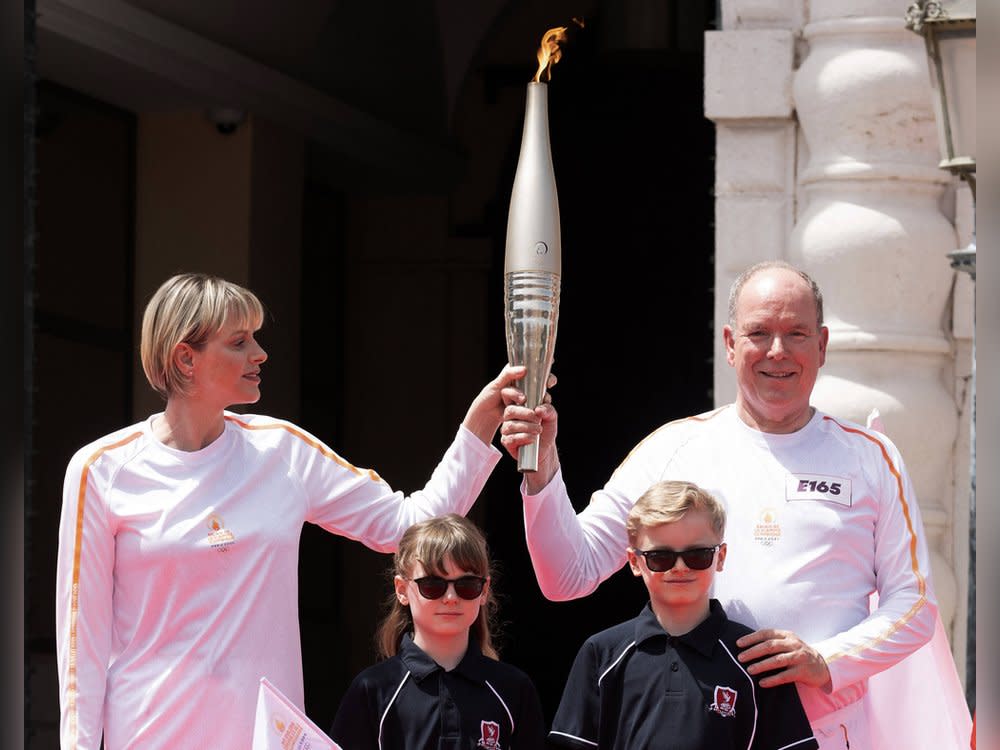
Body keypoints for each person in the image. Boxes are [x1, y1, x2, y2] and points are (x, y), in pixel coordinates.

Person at [55, 272, 521, 750]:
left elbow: (407, 527)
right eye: (239, 342)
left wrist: (479, 425)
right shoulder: (101, 469)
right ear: (185, 358)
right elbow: (81, 644)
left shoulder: (283, 451)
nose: (260, 354)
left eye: (255, 338)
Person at [500, 261, 938, 750]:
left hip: (827, 730)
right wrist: (542, 471)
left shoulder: (870, 458)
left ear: (822, 344)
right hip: (698, 730)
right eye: (759, 332)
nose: (778, 351)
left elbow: (915, 604)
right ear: (730, 343)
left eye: (796, 333)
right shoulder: (673, 448)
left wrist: (825, 659)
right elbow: (567, 574)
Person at [549, 480, 817, 750]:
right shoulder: (603, 653)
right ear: (634, 562)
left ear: (720, 556)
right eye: (660, 557)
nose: (679, 567)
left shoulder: (755, 658)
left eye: (697, 555)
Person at [329, 513, 547, 749]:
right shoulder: (372, 690)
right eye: (433, 585)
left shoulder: (514, 689)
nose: (451, 598)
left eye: (467, 585)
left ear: (484, 591)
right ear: (402, 589)